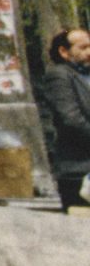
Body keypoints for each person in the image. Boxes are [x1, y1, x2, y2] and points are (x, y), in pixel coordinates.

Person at [42, 27, 90, 213]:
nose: (89, 52)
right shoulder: (59, 75)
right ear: (64, 51)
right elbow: (71, 120)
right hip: (78, 169)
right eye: (83, 48)